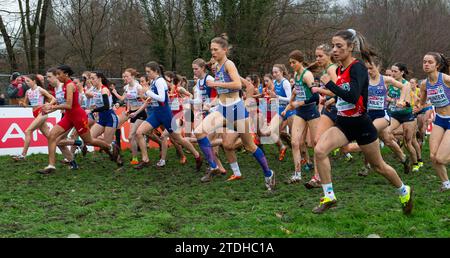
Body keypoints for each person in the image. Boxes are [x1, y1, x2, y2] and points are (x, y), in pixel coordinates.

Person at [313, 29, 413, 215]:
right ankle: (329, 196)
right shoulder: (340, 69)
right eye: (333, 46)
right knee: (319, 150)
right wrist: (331, 97)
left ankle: (403, 190)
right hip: (343, 123)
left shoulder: (357, 67)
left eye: (339, 46)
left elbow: (352, 96)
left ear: (351, 47)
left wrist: (329, 85)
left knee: (378, 167)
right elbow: (343, 96)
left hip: (361, 125)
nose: (334, 50)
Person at [194, 34, 275, 191]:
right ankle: (214, 166)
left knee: (250, 146)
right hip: (222, 109)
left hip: (236, 110)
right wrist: (213, 101)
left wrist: (215, 83)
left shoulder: (229, 64)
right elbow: (223, 87)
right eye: (211, 49)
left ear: (224, 50)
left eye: (215, 49)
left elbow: (238, 85)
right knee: (199, 132)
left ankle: (268, 173)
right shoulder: (216, 65)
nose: (212, 52)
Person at [37, 65, 121, 174]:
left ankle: (109, 146)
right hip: (68, 117)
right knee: (52, 136)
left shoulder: (70, 85)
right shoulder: (62, 86)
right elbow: (61, 103)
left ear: (66, 74)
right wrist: (50, 109)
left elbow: (68, 105)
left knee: (89, 141)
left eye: (59, 74)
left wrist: (52, 107)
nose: (57, 76)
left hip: (78, 117)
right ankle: (51, 166)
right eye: (56, 75)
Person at [131, 61, 204, 171]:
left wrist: (148, 92)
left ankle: (197, 155)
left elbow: (162, 98)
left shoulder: (160, 81)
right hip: (156, 114)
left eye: (148, 71)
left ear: (155, 71)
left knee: (178, 139)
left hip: (165, 115)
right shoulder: (154, 81)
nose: (147, 74)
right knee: (139, 132)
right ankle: (145, 159)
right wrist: (146, 96)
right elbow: (155, 98)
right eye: (146, 72)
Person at [282, 50, 320, 184]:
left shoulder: (307, 75)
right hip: (300, 112)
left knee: (316, 144)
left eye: (294, 62)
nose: (291, 65)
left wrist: (299, 102)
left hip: (311, 111)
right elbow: (297, 90)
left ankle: (317, 175)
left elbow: (316, 96)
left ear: (300, 62)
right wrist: (292, 103)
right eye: (290, 63)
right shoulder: (296, 74)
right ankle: (297, 174)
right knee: (294, 142)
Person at [419, 52, 450, 192]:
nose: (426, 64)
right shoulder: (424, 84)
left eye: (430, 62)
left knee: (441, 159)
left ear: (437, 65)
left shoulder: (445, 79)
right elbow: (422, 103)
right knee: (433, 157)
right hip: (439, 120)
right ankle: (446, 184)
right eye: (424, 61)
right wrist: (423, 109)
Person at [12, 74, 56, 161]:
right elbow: (25, 104)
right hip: (35, 114)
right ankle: (76, 143)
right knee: (50, 137)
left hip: (42, 113)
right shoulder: (28, 92)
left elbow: (53, 99)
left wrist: (48, 104)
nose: (26, 83)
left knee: (28, 131)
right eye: (26, 81)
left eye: (28, 81)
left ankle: (23, 155)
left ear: (34, 81)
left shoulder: (40, 89)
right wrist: (21, 103)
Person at [111, 68, 146, 165]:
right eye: (123, 77)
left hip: (140, 113)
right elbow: (124, 99)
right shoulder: (126, 87)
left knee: (131, 137)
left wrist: (136, 111)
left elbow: (145, 102)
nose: (124, 78)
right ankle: (119, 148)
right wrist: (115, 93)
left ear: (133, 76)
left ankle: (136, 157)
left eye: (126, 76)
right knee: (116, 123)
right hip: (131, 111)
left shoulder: (138, 87)